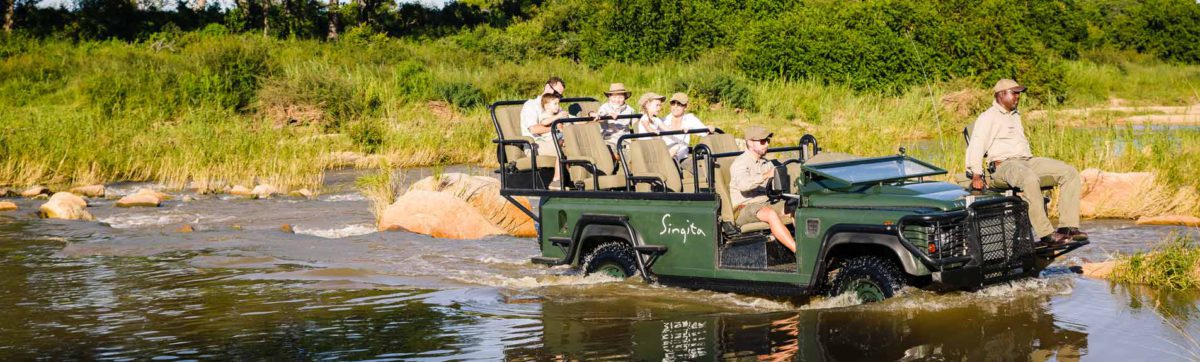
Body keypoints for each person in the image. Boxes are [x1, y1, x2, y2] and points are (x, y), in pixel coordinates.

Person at [966, 79, 1087, 246]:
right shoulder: (988, 117)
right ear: (1001, 95)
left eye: (1019, 93)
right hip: (1004, 166)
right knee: (1029, 178)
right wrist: (976, 175)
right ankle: (1046, 234)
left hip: (1026, 162)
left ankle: (1067, 227)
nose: (1018, 96)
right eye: (1014, 93)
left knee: (1069, 172)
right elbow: (976, 145)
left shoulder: (1015, 115)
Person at [729, 125, 796, 253]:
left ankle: (808, 246)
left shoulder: (766, 163)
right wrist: (766, 175)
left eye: (768, 141)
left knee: (794, 206)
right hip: (744, 207)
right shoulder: (740, 163)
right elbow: (744, 185)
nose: (766, 145)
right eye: (762, 141)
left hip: (765, 203)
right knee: (770, 214)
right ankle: (797, 251)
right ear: (749, 142)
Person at [519, 76, 567, 189]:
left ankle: (582, 181)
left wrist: (589, 115)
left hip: (553, 140)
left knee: (575, 143)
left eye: (559, 95)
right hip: (535, 145)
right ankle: (557, 181)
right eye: (556, 93)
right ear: (547, 87)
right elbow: (534, 129)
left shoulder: (556, 106)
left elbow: (570, 119)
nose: (557, 97)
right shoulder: (530, 105)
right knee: (566, 146)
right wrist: (557, 128)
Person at [657, 93, 713, 162]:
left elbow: (704, 132)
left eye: (679, 104)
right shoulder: (662, 121)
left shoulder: (690, 119)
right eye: (673, 103)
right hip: (667, 159)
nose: (675, 106)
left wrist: (709, 128)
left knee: (701, 163)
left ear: (685, 107)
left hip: (683, 159)